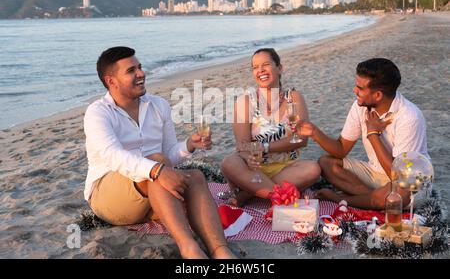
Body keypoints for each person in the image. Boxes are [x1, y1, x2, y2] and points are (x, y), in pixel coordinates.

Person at [83, 46, 236, 259]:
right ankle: (189, 248)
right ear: (111, 81)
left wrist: (189, 145)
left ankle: (220, 250)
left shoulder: (158, 105)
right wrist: (157, 170)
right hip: (107, 195)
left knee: (196, 177)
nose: (141, 74)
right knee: (157, 164)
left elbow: (170, 154)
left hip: (150, 193)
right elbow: (113, 156)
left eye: (140, 67)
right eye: (131, 71)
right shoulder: (98, 112)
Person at [298, 58, 431, 210]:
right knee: (326, 163)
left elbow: (398, 176)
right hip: (375, 174)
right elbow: (341, 149)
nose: (355, 90)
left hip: (409, 183)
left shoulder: (409, 116)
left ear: (378, 95)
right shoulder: (360, 106)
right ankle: (372, 197)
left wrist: (373, 133)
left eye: (360, 88)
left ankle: (341, 199)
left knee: (396, 197)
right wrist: (315, 132)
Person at [221, 48, 321, 207]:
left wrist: (265, 146)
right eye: (255, 67)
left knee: (313, 169)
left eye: (265, 65)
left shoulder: (293, 98)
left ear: (279, 68)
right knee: (229, 162)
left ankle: (249, 193)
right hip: (253, 168)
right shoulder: (245, 102)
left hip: (286, 169)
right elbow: (242, 145)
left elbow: (301, 140)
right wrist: (250, 157)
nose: (260, 70)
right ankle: (277, 194)